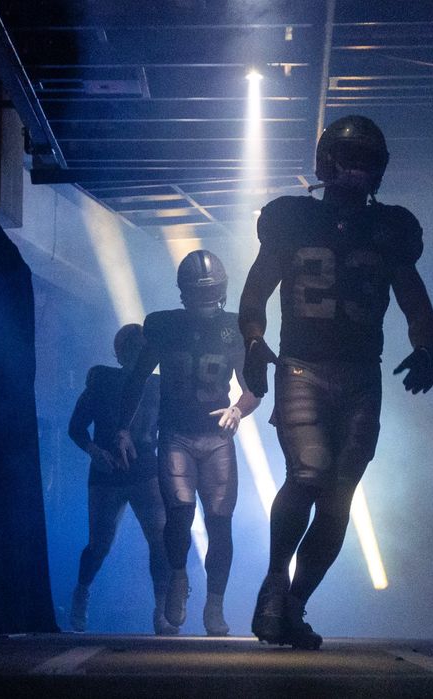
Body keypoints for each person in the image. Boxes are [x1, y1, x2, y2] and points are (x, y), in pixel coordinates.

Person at [238, 114, 433, 649]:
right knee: (308, 473)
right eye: (348, 162)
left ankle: (293, 605)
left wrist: (425, 347)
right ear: (326, 164)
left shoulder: (389, 230)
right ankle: (275, 583)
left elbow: (414, 300)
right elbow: (256, 292)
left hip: (359, 375)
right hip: (302, 368)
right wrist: (254, 341)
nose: (356, 173)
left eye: (366, 164)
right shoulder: (291, 220)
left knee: (338, 498)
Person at [116, 250, 261, 636]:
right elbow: (137, 378)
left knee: (220, 523)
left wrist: (238, 410)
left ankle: (214, 605)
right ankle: (179, 577)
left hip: (216, 436)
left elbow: (254, 389)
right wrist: (122, 428)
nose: (204, 300)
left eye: (209, 292)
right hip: (177, 433)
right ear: (183, 293)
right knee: (179, 516)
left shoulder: (233, 329)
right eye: (199, 293)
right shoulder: (164, 326)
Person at [67, 324, 176, 635]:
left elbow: (170, 426)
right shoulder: (101, 381)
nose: (136, 353)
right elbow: (76, 427)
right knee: (99, 545)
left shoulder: (158, 385)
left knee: (160, 542)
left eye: (140, 348)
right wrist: (94, 451)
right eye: (130, 348)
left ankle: (162, 610)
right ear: (119, 352)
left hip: (145, 472)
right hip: (108, 473)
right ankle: (82, 592)